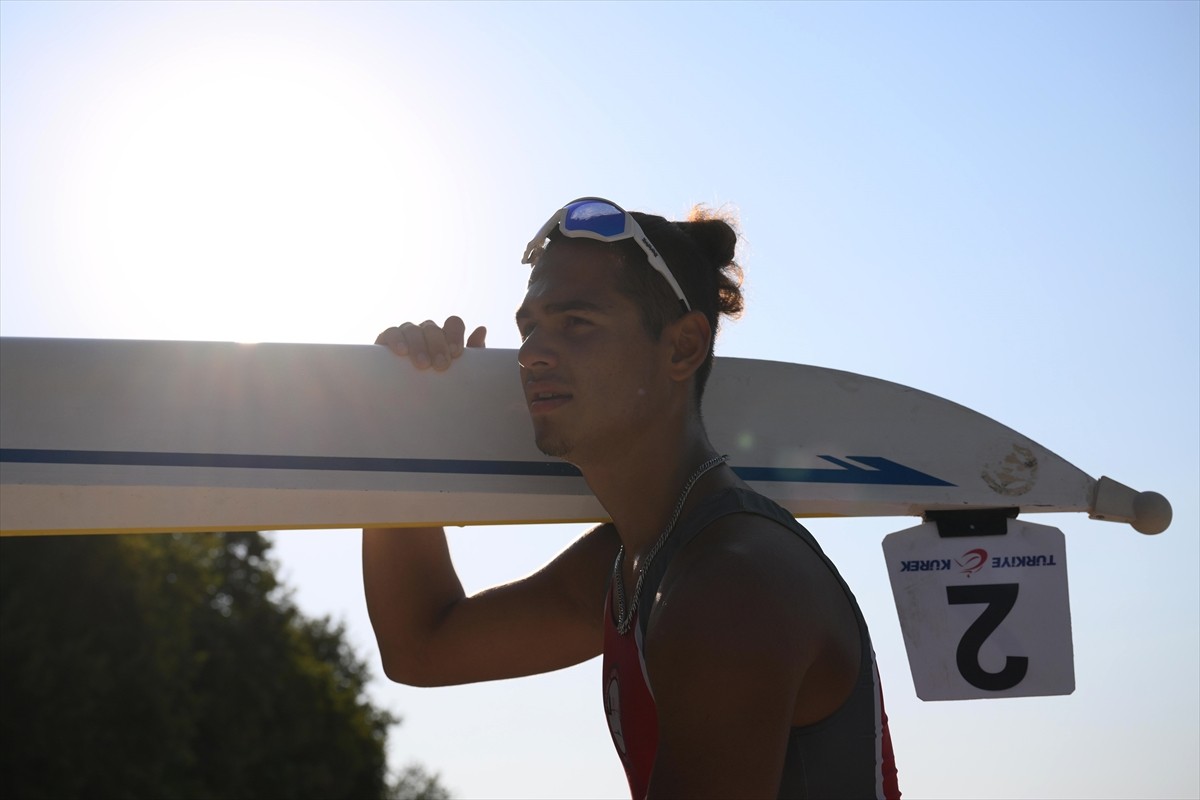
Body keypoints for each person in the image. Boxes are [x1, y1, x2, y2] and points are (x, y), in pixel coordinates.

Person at [363, 197, 900, 799]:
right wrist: (401, 429)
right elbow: (422, 648)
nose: (532, 352)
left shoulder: (732, 586)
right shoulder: (636, 560)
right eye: (529, 326)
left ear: (682, 348)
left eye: (577, 323)